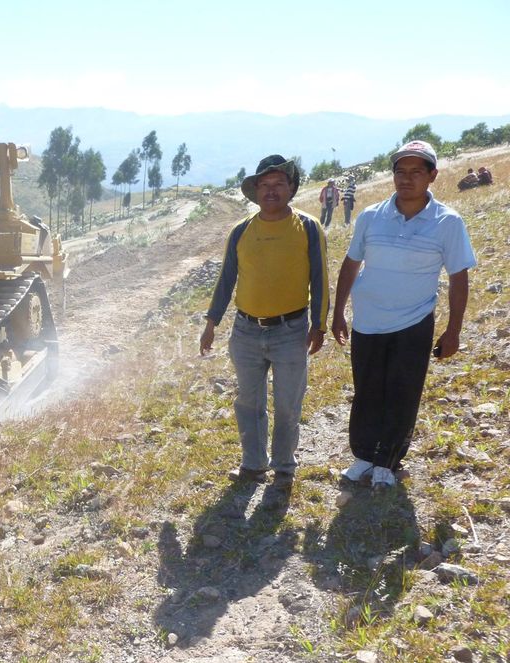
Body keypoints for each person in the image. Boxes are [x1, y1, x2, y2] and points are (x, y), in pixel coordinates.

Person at [331, 140, 476, 488]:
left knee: (402, 390)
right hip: (368, 321)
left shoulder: (448, 222)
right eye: (400, 171)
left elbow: (458, 278)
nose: (406, 179)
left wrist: (453, 330)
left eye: (416, 172)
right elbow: (351, 264)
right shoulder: (370, 216)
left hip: (413, 322)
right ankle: (364, 456)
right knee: (366, 390)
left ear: (432, 176)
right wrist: (338, 313)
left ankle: (388, 462)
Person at [200, 154, 329, 486]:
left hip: (291, 331)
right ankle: (254, 464)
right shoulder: (241, 230)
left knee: (288, 405)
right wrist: (212, 322)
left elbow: (321, 277)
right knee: (248, 402)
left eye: (279, 184)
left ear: (291, 188)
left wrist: (320, 324)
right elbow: (226, 278)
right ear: (256, 191)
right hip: (245, 332)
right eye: (265, 185)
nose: (271, 191)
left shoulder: (310, 228)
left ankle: (284, 467)